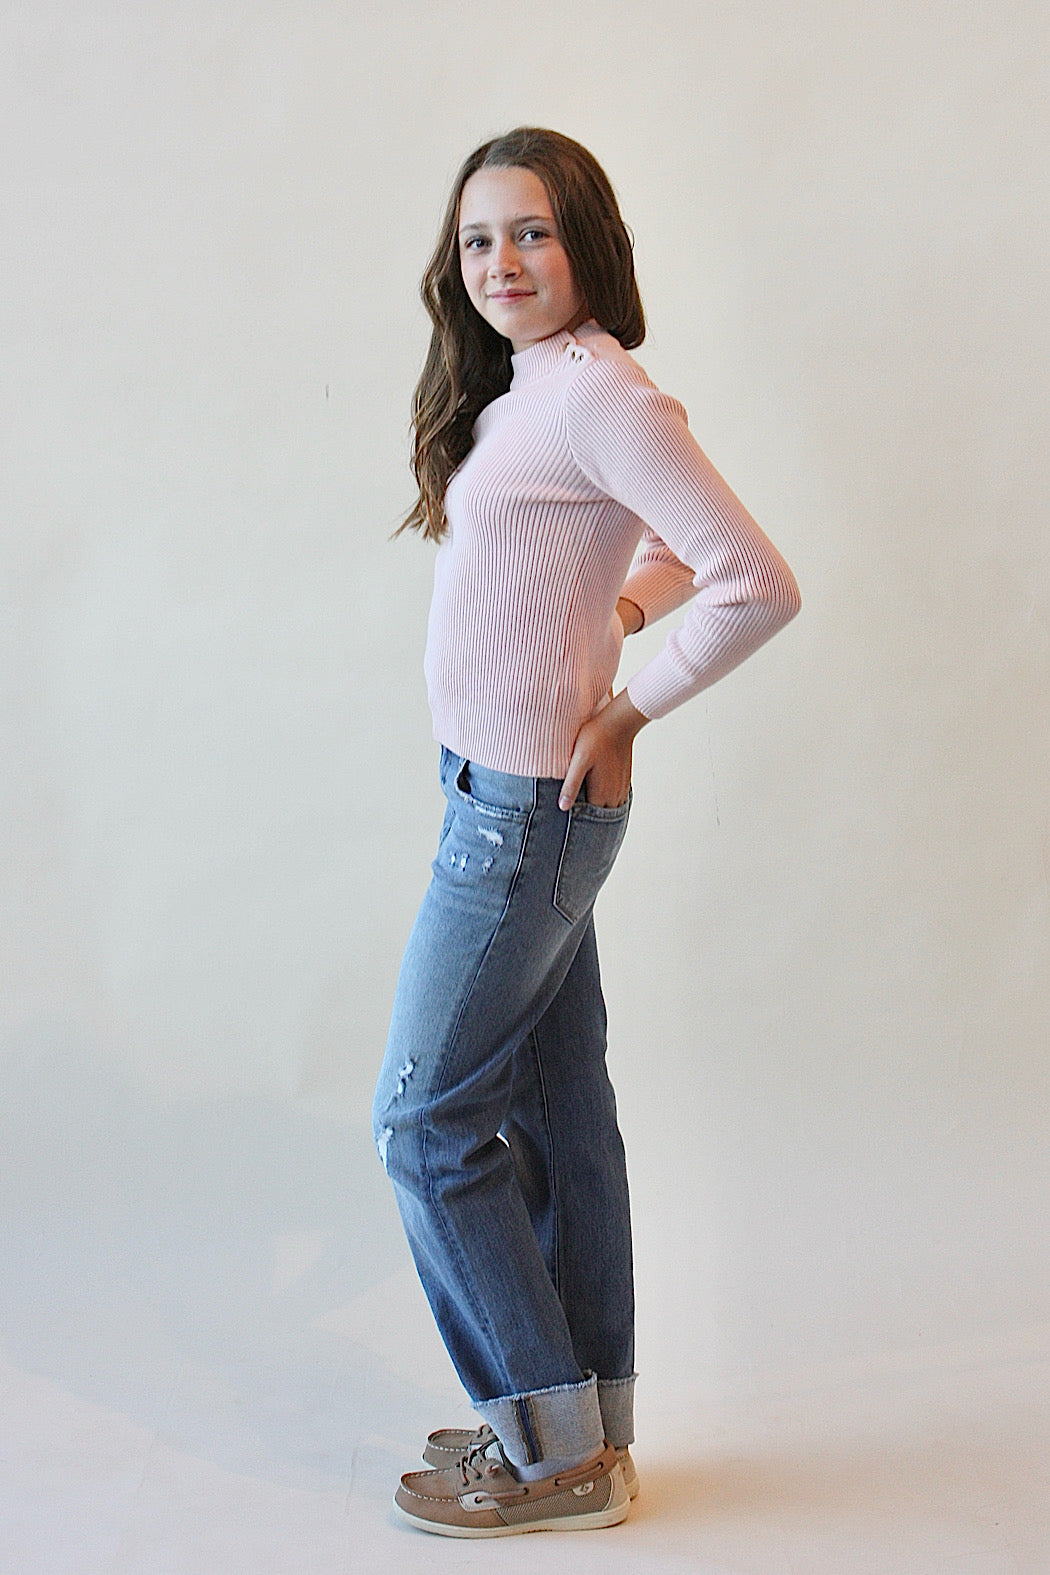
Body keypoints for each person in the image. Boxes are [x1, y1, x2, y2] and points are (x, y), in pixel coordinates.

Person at [372, 126, 800, 1538]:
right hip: (501, 802)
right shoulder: (536, 391)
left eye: (532, 232)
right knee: (555, 1117)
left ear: (587, 244)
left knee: (425, 1124)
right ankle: (580, 1430)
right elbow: (659, 549)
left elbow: (753, 578)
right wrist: (614, 608)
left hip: (522, 820)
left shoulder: (601, 393)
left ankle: (546, 1455)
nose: (501, 262)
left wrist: (627, 710)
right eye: (478, 239)